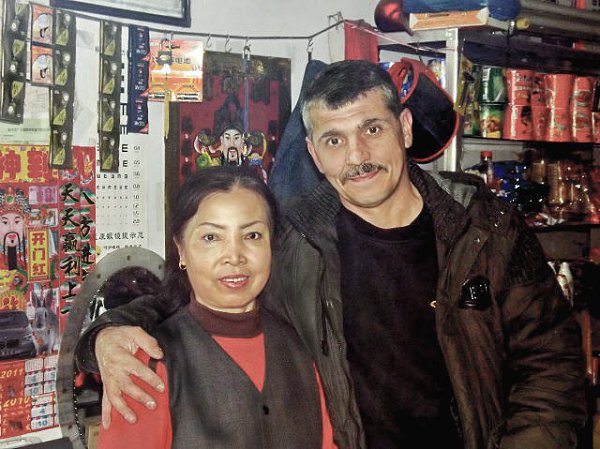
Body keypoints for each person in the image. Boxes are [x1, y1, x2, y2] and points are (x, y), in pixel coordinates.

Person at [77, 61, 585, 449]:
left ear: (405, 128)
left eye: (372, 129)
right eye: (335, 140)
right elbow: (188, 295)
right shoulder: (293, 236)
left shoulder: (486, 228)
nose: (357, 156)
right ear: (315, 155)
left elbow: (552, 368)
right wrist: (103, 336)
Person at [96, 166, 336, 449]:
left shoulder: (300, 346)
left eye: (252, 236)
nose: (234, 256)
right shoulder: (146, 363)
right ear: (182, 250)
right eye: (211, 237)